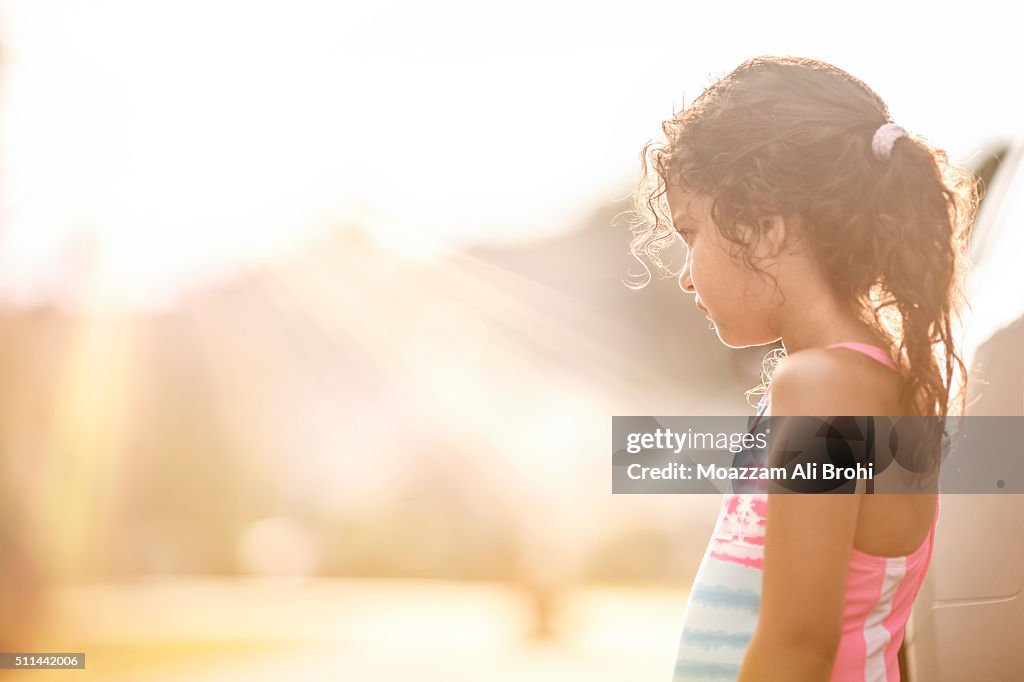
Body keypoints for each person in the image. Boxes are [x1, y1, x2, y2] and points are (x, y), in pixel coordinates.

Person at [628, 56, 978, 681]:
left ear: (763, 229)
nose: (685, 275)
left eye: (690, 234)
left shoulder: (821, 388)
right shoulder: (869, 384)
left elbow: (798, 646)